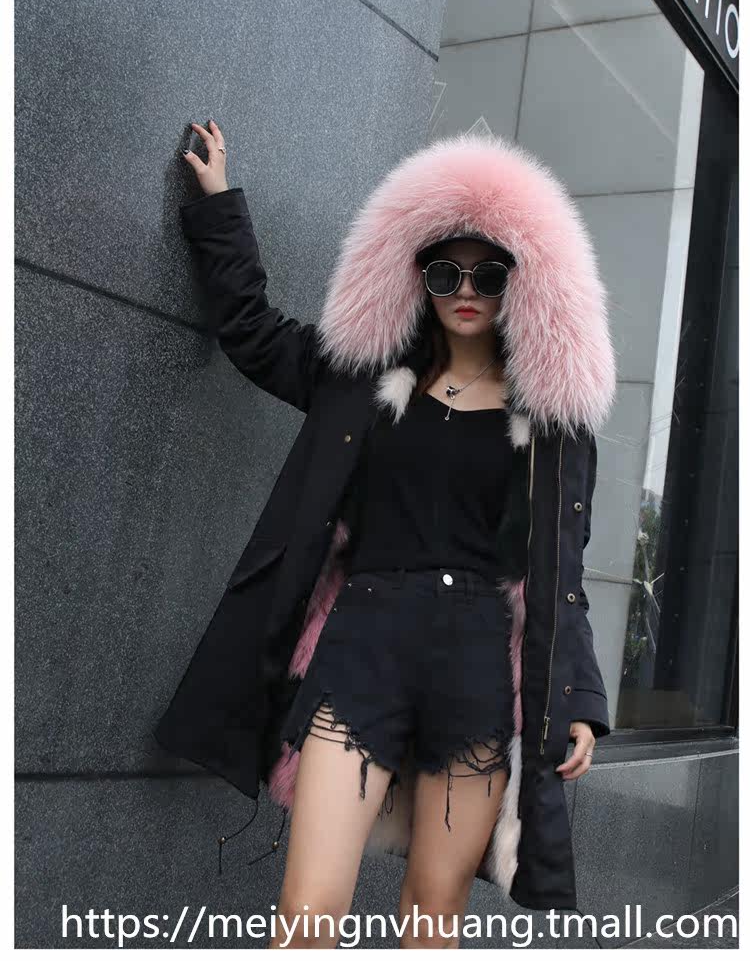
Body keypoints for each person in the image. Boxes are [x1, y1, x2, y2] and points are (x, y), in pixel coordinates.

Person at [158, 120, 616, 947]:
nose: (466, 288)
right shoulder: (361, 377)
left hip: (478, 669)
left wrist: (579, 698)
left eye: (489, 272)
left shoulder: (550, 426)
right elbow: (255, 332)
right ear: (417, 276)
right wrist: (220, 205)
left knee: (431, 916)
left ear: (524, 283)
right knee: (306, 911)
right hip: (361, 650)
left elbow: (562, 574)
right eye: (445, 271)